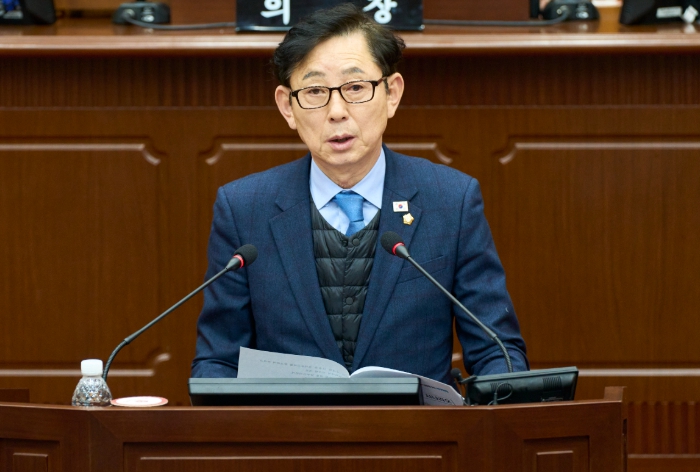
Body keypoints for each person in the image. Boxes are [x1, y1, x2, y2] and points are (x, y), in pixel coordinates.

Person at [191, 4, 528, 384]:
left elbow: (497, 350)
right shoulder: (243, 208)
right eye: (315, 91)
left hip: (418, 423)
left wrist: (503, 395)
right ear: (288, 106)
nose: (337, 112)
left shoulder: (451, 200)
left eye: (355, 88)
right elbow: (218, 362)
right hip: (292, 423)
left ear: (391, 93)